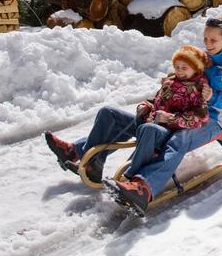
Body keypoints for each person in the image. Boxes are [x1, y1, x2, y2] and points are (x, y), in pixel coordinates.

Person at [114, 15, 222, 214]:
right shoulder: (203, 59)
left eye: (213, 40)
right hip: (182, 111)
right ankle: (117, 169)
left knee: (180, 139)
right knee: (148, 126)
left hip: (212, 119)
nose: (208, 44)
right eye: (205, 39)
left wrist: (214, 97)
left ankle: (144, 188)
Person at [44, 44, 211, 183]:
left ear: (195, 69)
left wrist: (171, 118)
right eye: (177, 67)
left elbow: (201, 118)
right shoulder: (171, 81)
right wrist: (144, 106)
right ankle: (93, 163)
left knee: (146, 129)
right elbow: (155, 101)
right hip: (148, 122)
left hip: (165, 133)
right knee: (107, 112)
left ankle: (78, 154)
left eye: (184, 68)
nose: (179, 71)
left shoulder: (198, 89)